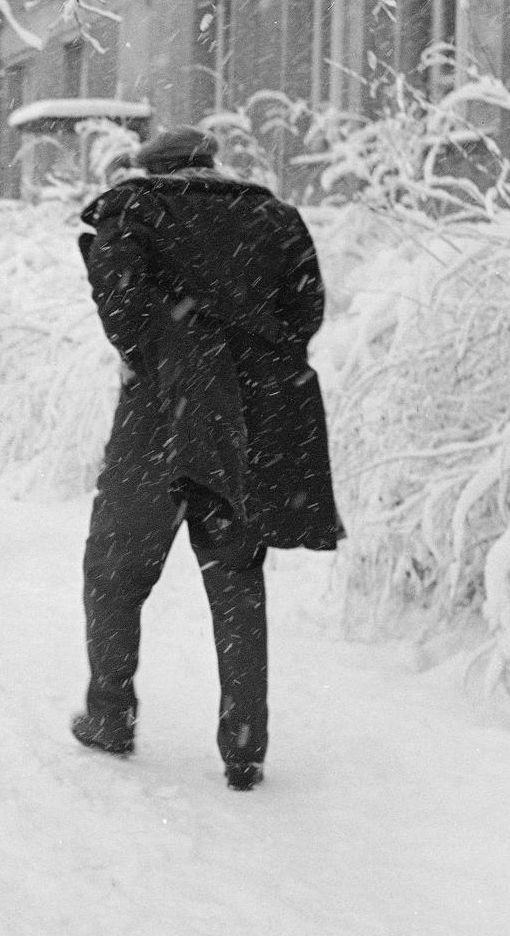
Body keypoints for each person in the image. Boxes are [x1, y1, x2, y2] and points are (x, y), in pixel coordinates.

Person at [71, 125, 341, 791]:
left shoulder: (132, 209)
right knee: (236, 573)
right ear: (208, 163)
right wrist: (242, 354)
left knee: (115, 566)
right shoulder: (272, 216)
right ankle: (244, 745)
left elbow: (122, 309)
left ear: (152, 165)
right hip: (248, 416)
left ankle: (110, 713)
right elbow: (305, 311)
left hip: (161, 411)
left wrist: (176, 354)